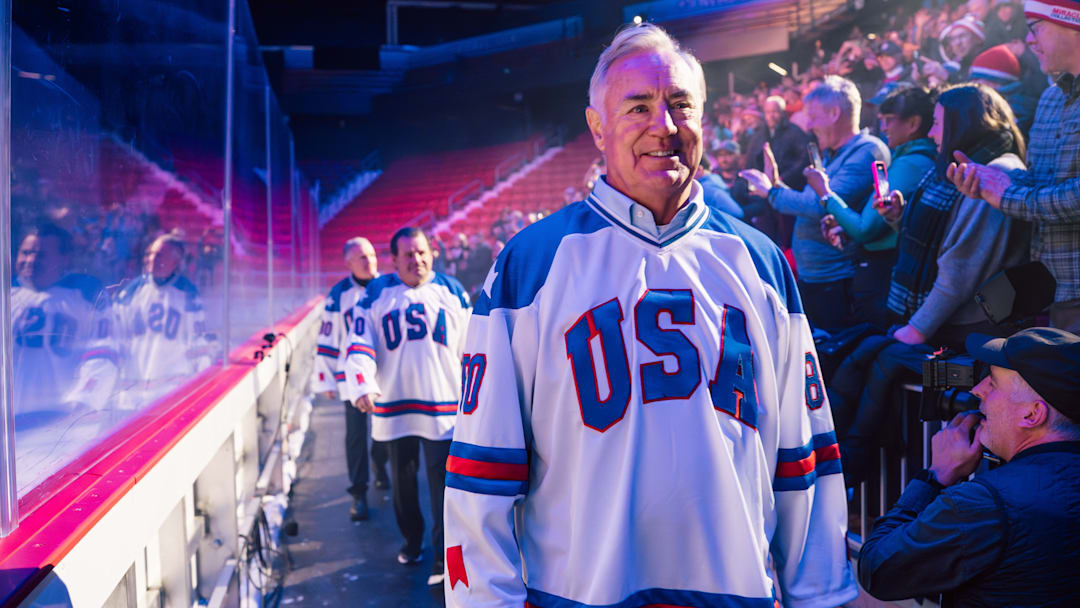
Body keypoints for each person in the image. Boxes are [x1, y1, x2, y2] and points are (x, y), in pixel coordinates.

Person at [444, 24, 856, 608]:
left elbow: (804, 459)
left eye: (679, 105)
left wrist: (820, 597)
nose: (663, 126)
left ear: (703, 120)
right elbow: (479, 479)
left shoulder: (760, 264)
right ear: (596, 128)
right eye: (638, 107)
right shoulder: (527, 268)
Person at [835, 84, 1030, 481]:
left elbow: (961, 269)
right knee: (867, 349)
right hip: (951, 328)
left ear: (963, 123)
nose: (931, 133)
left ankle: (852, 474)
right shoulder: (957, 167)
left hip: (973, 341)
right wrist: (899, 215)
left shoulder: (993, 173)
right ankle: (850, 472)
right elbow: (942, 240)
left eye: (938, 122)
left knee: (884, 356)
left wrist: (917, 328)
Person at [858, 327, 1080, 606]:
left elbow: (878, 570)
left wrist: (935, 477)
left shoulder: (983, 504)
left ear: (1032, 414)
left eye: (994, 382)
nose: (977, 390)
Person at [344, 227, 470, 586]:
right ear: (394, 260)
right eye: (408, 255)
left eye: (421, 252)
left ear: (431, 252)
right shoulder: (376, 293)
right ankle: (412, 541)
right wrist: (363, 382)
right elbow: (360, 342)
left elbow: (471, 346)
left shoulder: (453, 291)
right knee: (402, 483)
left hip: (444, 405)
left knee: (444, 486)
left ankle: (443, 557)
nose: (416, 260)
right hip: (394, 406)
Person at [948, 1, 1080, 332]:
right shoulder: (1052, 98)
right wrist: (989, 178)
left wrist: (1005, 194)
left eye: (1036, 28)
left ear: (1072, 25)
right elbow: (1039, 180)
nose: (1029, 42)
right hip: (1051, 289)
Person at [741, 75, 890, 331]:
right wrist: (775, 185)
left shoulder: (867, 151)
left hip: (838, 281)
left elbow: (818, 204)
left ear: (833, 113)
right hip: (817, 278)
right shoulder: (833, 154)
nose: (808, 125)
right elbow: (813, 200)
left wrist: (772, 193)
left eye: (812, 116)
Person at [806, 85, 938, 331]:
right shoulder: (907, 159)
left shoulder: (910, 163)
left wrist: (825, 195)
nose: (884, 127)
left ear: (913, 124)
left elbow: (864, 229)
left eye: (889, 120)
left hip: (882, 274)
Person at [73, 233, 218, 411]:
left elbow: (199, 344)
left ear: (176, 261)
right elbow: (112, 338)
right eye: (149, 254)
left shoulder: (188, 294)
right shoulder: (132, 291)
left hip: (170, 396)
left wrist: (200, 387)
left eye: (159, 255)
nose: (151, 259)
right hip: (130, 398)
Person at [312, 236, 390, 521]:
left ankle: (380, 464)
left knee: (384, 430)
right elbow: (328, 337)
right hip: (351, 377)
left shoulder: (388, 287)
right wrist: (327, 379)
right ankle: (358, 493)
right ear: (349, 263)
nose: (370, 260)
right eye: (362, 257)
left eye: (371, 254)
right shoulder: (338, 294)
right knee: (356, 434)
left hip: (386, 373)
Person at [11, 223, 103, 419]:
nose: (31, 260)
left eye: (41, 255)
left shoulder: (86, 296)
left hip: (57, 424)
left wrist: (84, 402)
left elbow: (103, 355)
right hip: (9, 426)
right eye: (25, 252)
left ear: (64, 260)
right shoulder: (6, 294)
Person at [744, 95, 811, 247]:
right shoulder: (759, 135)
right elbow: (750, 160)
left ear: (782, 113)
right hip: (763, 195)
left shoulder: (795, 132)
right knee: (766, 236)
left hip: (787, 191)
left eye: (775, 112)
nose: (771, 116)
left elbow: (803, 160)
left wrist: (781, 179)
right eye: (768, 112)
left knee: (786, 238)